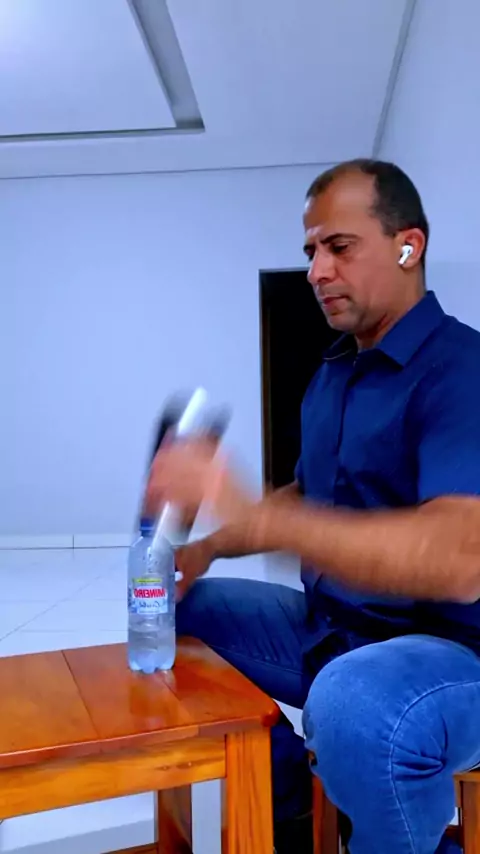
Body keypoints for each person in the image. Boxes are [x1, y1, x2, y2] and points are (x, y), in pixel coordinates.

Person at [146, 159, 480, 854]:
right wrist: (204, 548)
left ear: (407, 246)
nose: (317, 271)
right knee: (172, 611)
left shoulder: (461, 370)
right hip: (333, 628)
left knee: (356, 703)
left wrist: (257, 511)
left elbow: (458, 558)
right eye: (310, 252)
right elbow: (309, 495)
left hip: (453, 652)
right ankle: (294, 805)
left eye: (339, 247)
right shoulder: (333, 375)